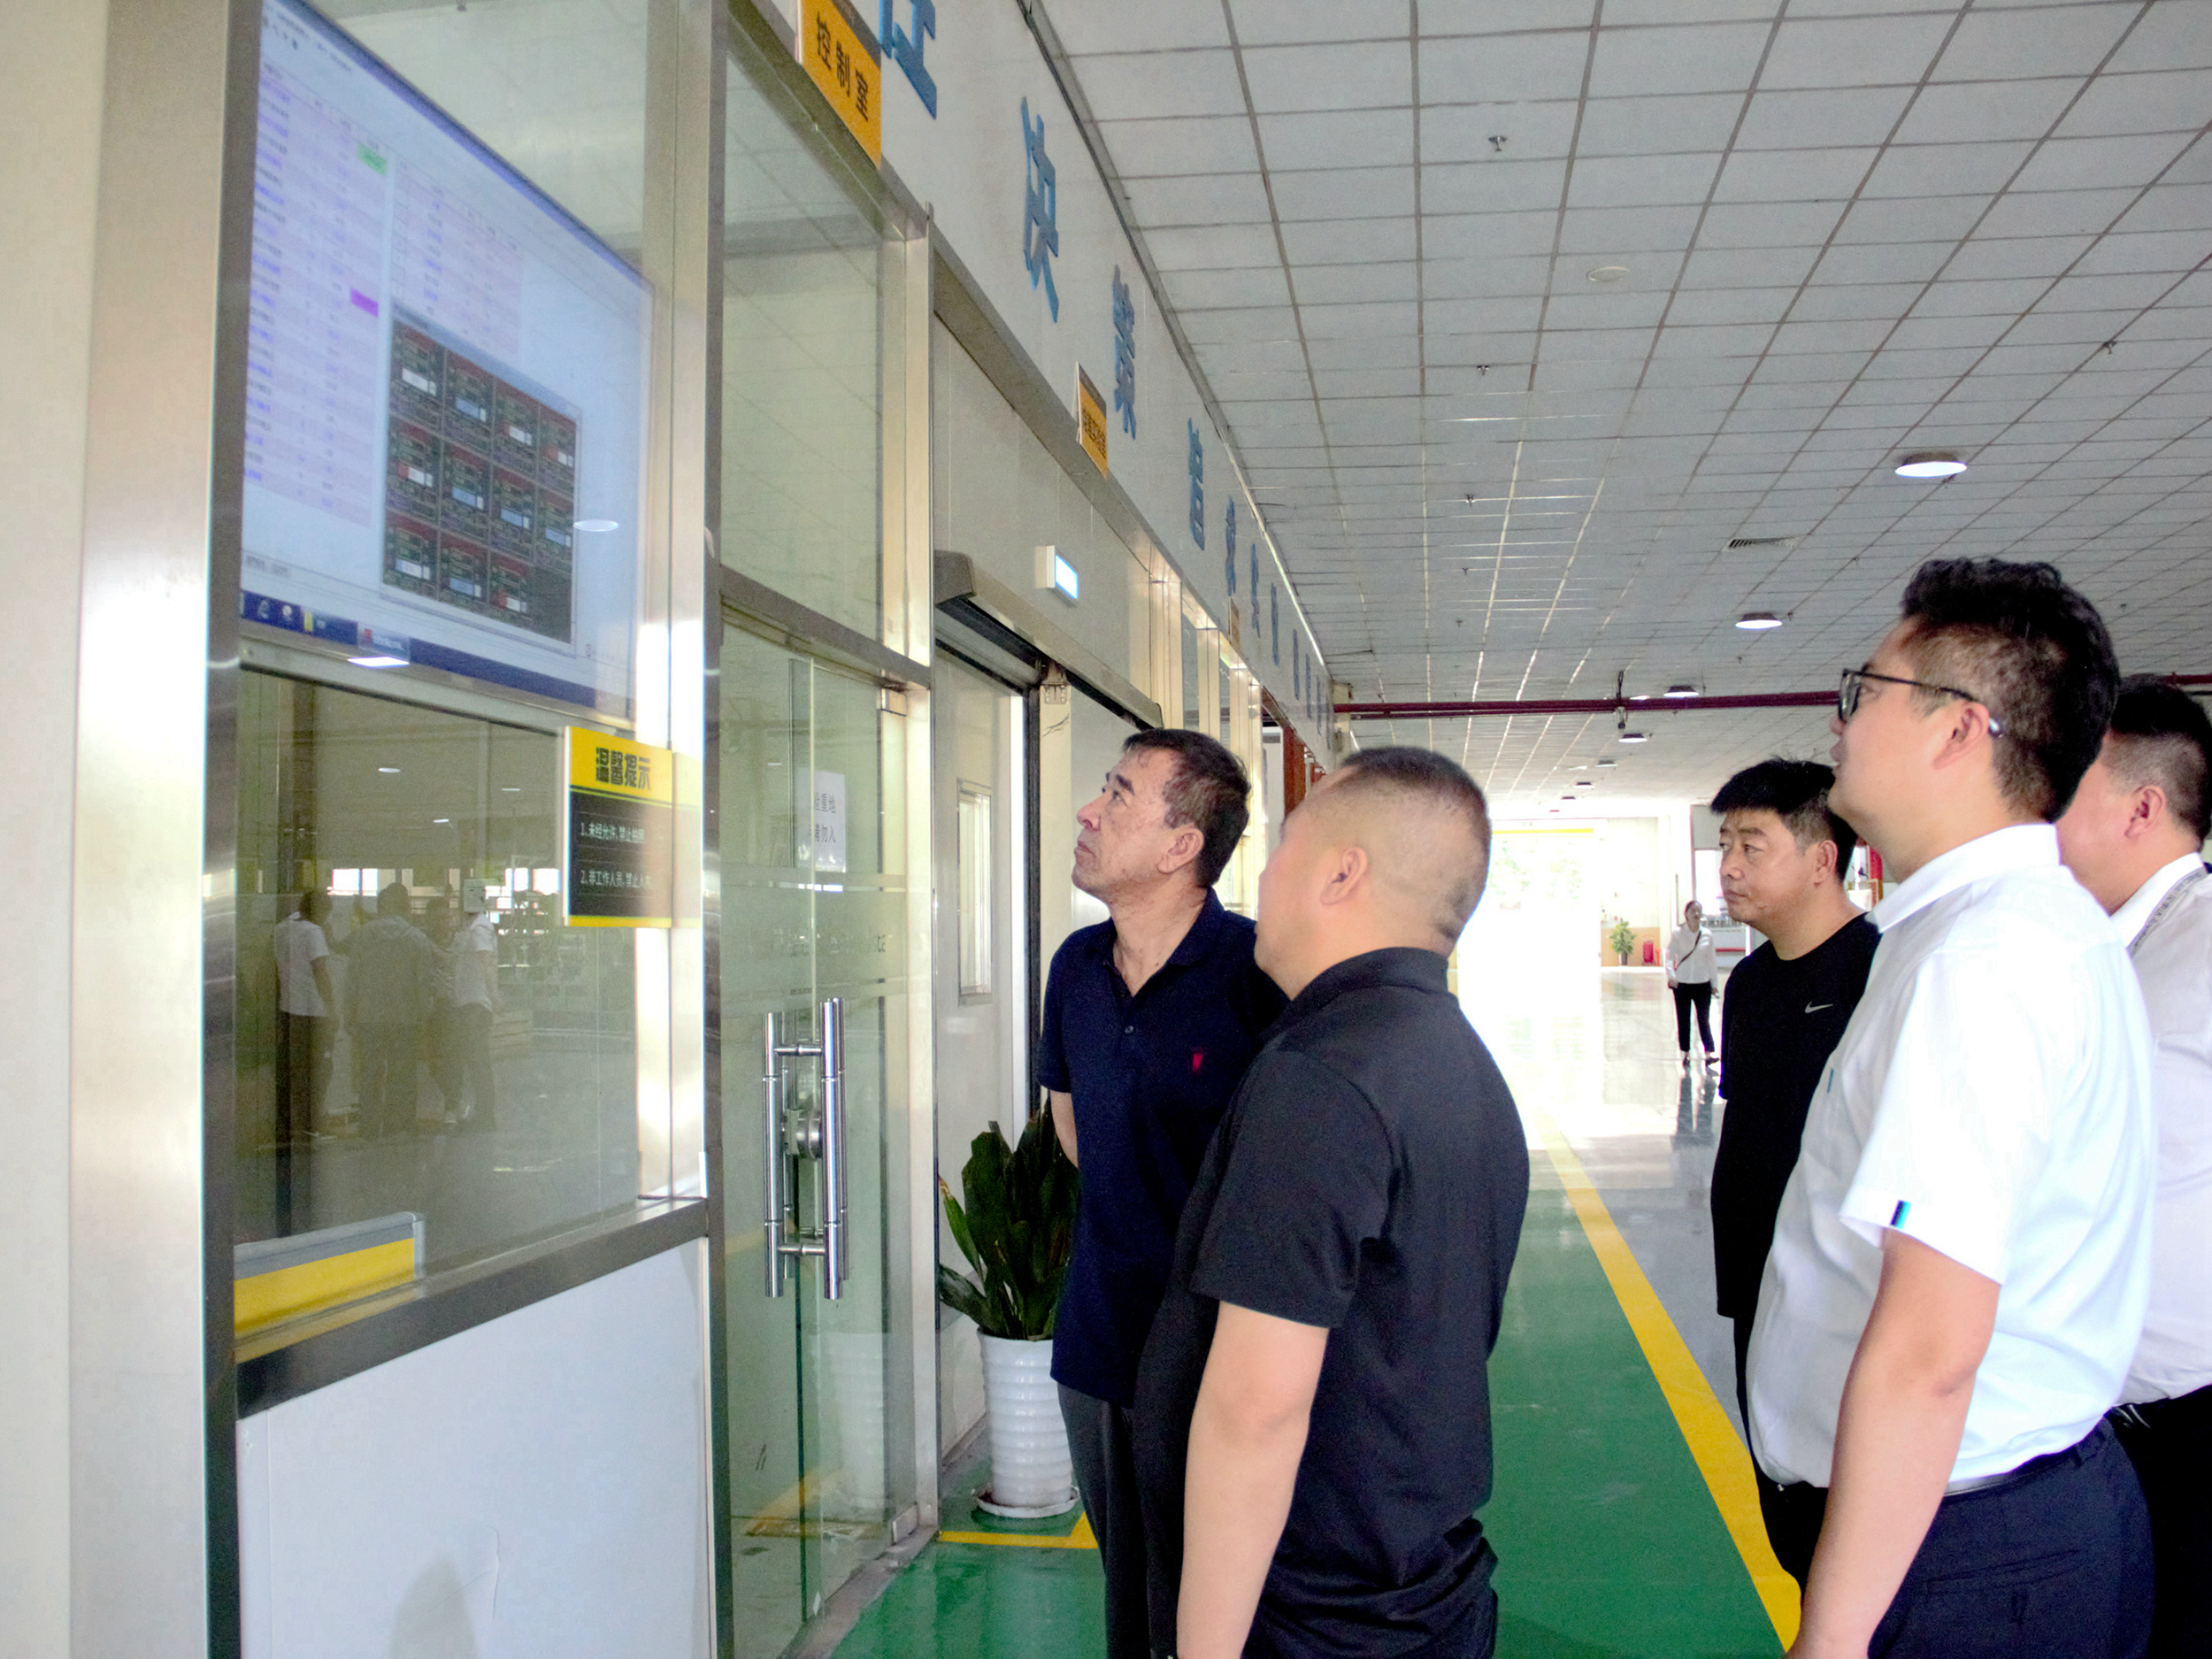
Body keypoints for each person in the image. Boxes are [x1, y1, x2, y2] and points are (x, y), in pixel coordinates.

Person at [1748, 557, 2155, 1656]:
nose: (1839, 721)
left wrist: (1833, 1640)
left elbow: (1931, 1347)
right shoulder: (2019, 926)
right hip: (2001, 1519)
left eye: (1864, 690)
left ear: (1957, 730)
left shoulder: (1981, 960)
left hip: (1965, 1556)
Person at [1135, 747, 1529, 1659]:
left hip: (1308, 1614)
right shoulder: (1455, 1057)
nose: (1261, 876)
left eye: (1283, 847)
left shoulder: (1323, 1076)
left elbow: (1257, 1410)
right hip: (1416, 1593)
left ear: (1341, 873)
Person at [1038, 727, 1285, 1659]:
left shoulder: (1259, 975)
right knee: (1132, 1597)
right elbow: (1073, 1131)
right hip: (1100, 1339)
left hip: (1222, 1354)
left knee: (1213, 1605)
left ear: (1183, 845)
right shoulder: (1076, 967)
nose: (1088, 810)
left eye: (1117, 793)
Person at [2057, 675, 2212, 1658]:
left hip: (2189, 1423)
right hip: (2101, 1420)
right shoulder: (2103, 953)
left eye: (2069, 784)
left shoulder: (2200, 949)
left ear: (2142, 808)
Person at [1708, 759, 1878, 1434]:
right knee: (1770, 1455)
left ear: (1821, 861)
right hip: (1757, 1278)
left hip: (1842, 1295)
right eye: (1725, 845)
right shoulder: (1748, 983)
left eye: (1752, 847)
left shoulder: (1875, 975)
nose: (1729, 867)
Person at [343, 882, 439, 1141]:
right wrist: (424, 1018)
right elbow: (424, 984)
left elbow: (352, 979)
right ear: (404, 905)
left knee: (370, 1073)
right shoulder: (417, 939)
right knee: (403, 1073)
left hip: (369, 1017)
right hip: (405, 1018)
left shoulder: (363, 937)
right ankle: (400, 1124)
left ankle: (369, 1126)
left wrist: (349, 1014)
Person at [272, 889, 336, 1227]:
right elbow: (321, 972)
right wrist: (333, 1007)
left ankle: (287, 1126)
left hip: (287, 1009)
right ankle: (311, 1126)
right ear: (321, 912)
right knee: (319, 1067)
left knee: (290, 1069)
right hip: (312, 1011)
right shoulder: (313, 933)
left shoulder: (282, 928)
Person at [448, 896, 503, 1133]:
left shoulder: (479, 928)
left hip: (476, 1005)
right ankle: (483, 1115)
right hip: (470, 1003)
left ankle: (485, 1117)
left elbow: (485, 961)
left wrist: (493, 994)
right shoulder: (471, 928)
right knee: (475, 1062)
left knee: (478, 1062)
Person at [1665, 899, 1717, 1067]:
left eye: (1698, 911)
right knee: (1683, 1019)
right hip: (1682, 984)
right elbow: (1669, 957)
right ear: (1686, 914)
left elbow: (1711, 960)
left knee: (1704, 1018)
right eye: (1693, 911)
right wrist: (1672, 975)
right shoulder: (1678, 933)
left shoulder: (1707, 934)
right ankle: (1685, 1053)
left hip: (1703, 983)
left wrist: (1714, 983)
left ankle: (1709, 1053)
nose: (1696, 914)